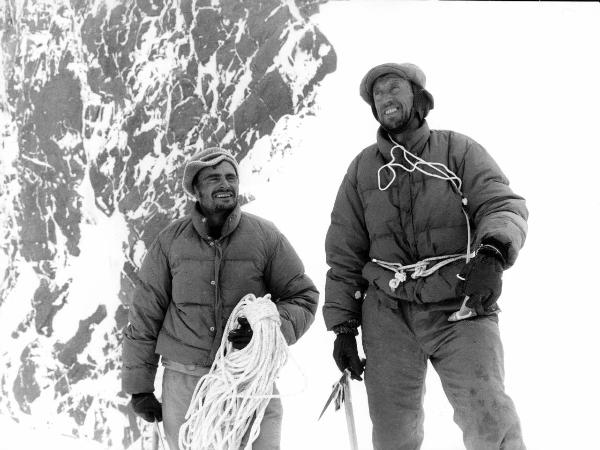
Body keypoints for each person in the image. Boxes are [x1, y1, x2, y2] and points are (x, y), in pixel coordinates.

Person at [323, 63, 528, 449]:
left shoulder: (458, 150)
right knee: (392, 433)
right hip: (387, 313)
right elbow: (344, 253)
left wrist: (492, 252)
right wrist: (344, 327)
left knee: (489, 416)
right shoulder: (361, 170)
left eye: (393, 87)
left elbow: (501, 204)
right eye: (377, 94)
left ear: (420, 98)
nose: (385, 97)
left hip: (460, 303)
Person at [121, 147, 319, 449]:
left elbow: (302, 296)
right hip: (186, 385)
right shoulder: (170, 242)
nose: (225, 184)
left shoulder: (265, 237)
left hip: (250, 381)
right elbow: (146, 314)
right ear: (196, 190)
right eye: (213, 178)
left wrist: (267, 330)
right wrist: (139, 388)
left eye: (230, 177)